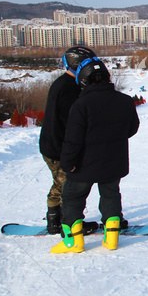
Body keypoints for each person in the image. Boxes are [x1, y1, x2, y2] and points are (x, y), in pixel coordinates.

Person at [51, 58, 140, 254]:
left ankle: (73, 242)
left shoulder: (80, 104)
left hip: (84, 166)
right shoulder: (125, 101)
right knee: (110, 195)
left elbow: (72, 140)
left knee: (72, 197)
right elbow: (132, 128)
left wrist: (67, 163)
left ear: (82, 80)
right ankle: (112, 238)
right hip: (113, 162)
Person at [39, 46, 96, 234]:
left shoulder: (64, 83)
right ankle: (69, 225)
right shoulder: (69, 87)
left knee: (59, 183)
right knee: (69, 187)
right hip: (58, 147)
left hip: (52, 145)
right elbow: (71, 123)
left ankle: (54, 221)